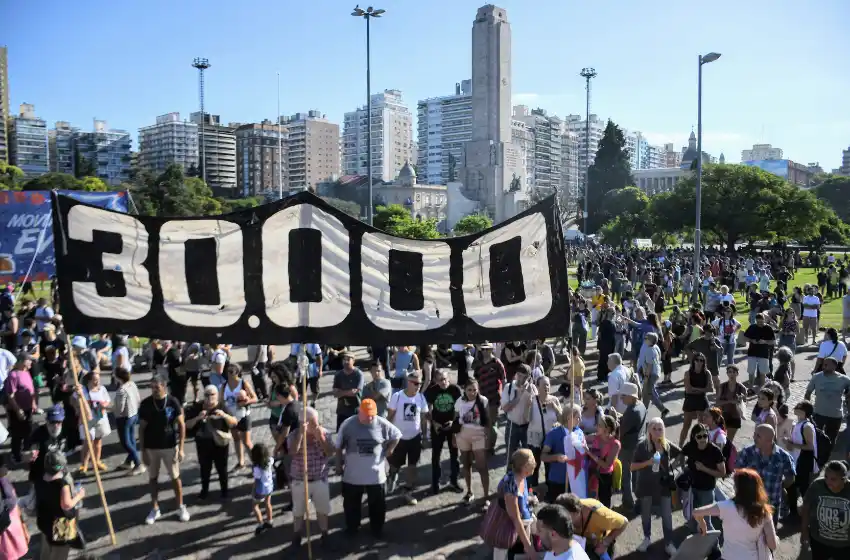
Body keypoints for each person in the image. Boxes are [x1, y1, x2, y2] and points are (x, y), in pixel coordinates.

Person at [336, 399, 401, 539]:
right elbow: (338, 446)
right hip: (353, 475)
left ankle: (377, 529)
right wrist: (338, 464)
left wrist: (390, 449)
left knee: (377, 506)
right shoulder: (348, 424)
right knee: (351, 504)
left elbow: (397, 435)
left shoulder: (381, 423)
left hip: (375, 475)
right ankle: (352, 528)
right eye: (367, 414)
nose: (370, 417)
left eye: (372, 414)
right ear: (360, 411)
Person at [692, 468, 777, 560]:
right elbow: (773, 545)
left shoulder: (726, 507)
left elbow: (696, 512)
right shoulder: (764, 512)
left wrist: (702, 522)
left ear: (737, 488)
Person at [139, 373, 189, 524]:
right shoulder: (146, 404)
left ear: (164, 387)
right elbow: (141, 429)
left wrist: (181, 448)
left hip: (169, 446)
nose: (154, 390)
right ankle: (155, 508)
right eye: (152, 387)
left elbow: (181, 425)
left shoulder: (173, 402)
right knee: (153, 478)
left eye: (157, 387)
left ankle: (180, 505)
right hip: (152, 447)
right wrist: (143, 452)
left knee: (175, 477)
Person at [287, 406, 334, 550]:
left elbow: (330, 452)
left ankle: (325, 534)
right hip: (300, 480)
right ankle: (297, 535)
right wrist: (301, 435)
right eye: (313, 422)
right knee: (298, 511)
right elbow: (292, 452)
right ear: (304, 423)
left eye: (317, 421)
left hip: (320, 478)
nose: (317, 425)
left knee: (322, 509)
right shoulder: (294, 435)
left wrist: (321, 438)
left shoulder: (324, 433)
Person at [631, 417, 679, 556]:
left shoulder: (667, 445)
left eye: (660, 429)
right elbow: (632, 467)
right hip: (646, 485)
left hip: (663, 486)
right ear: (649, 431)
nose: (658, 432)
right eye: (654, 429)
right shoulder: (642, 445)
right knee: (646, 514)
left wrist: (673, 466)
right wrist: (648, 463)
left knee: (667, 515)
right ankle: (647, 538)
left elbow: (681, 454)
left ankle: (669, 543)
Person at [184, 385, 237, 500]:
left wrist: (224, 415)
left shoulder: (222, 406)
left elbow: (234, 422)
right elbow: (187, 425)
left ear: (217, 395)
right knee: (204, 468)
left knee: (222, 468)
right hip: (203, 443)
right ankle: (204, 491)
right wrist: (198, 418)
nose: (209, 397)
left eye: (212, 394)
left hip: (220, 444)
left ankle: (224, 491)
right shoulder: (197, 407)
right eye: (207, 395)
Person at [735, 424, 795, 522]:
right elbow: (737, 474)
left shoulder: (783, 457)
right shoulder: (747, 453)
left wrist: (779, 487)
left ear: (769, 439)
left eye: (758, 436)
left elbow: (790, 479)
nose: (754, 437)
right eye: (754, 434)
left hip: (771, 504)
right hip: (750, 503)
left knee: (770, 534)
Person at [386, 372, 429, 505]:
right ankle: (392, 475)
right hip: (399, 438)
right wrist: (387, 435)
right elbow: (390, 416)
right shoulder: (397, 397)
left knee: (412, 465)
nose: (418, 386)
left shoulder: (421, 398)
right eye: (415, 383)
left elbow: (423, 419)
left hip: (415, 437)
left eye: (420, 384)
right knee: (394, 464)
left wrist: (425, 436)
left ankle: (408, 488)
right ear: (408, 382)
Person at [35, 451, 85, 560]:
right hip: (61, 523)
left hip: (44, 518)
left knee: (46, 547)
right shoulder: (61, 484)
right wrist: (79, 496)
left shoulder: (40, 479)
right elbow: (66, 505)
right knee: (60, 553)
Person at [493, 449, 539, 560]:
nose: (535, 463)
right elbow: (516, 519)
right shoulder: (511, 486)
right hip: (507, 526)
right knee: (501, 555)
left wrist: (529, 499)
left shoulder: (522, 477)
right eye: (532, 460)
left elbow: (521, 498)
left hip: (525, 519)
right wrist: (528, 547)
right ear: (525, 466)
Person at [680, 423, 726, 532]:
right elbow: (681, 454)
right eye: (699, 437)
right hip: (692, 488)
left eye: (705, 436)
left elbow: (722, 473)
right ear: (694, 437)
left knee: (706, 521)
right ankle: (699, 544)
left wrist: (704, 468)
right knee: (693, 517)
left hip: (707, 490)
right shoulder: (691, 446)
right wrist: (682, 467)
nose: (702, 439)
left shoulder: (714, 451)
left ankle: (715, 547)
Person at [424, 369, 462, 495]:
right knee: (436, 456)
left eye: (445, 379)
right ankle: (435, 484)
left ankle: (454, 481)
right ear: (435, 381)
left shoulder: (455, 390)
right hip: (437, 426)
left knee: (454, 455)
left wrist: (454, 422)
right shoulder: (432, 391)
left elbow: (461, 409)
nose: (444, 382)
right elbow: (426, 410)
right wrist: (433, 423)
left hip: (452, 426)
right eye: (441, 380)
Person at [555, 493, 628, 560]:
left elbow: (624, 522)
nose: (561, 522)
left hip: (599, 547)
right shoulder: (561, 514)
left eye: (565, 518)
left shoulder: (600, 516)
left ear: (576, 513)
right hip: (582, 545)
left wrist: (605, 543)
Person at [801, 460, 850, 557]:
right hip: (819, 541)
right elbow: (806, 507)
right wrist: (804, 530)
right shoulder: (817, 486)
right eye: (826, 477)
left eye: (833, 479)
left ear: (843, 479)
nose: (828, 482)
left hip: (845, 545)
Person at [455, 379, 490, 505]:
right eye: (469, 390)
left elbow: (488, 421)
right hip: (463, 435)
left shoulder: (484, 401)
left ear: (478, 389)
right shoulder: (459, 401)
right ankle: (469, 491)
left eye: (475, 390)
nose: (472, 393)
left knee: (482, 467)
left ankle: (486, 497)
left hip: (479, 436)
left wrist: (488, 438)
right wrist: (455, 437)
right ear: (464, 389)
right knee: (466, 464)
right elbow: (456, 419)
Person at [804, 355, 850, 446]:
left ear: (834, 366)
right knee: (816, 438)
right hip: (819, 413)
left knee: (831, 439)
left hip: (835, 415)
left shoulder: (844, 379)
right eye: (823, 364)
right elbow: (808, 393)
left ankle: (828, 455)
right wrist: (808, 408)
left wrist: (848, 396)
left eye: (826, 365)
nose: (823, 367)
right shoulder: (817, 377)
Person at [783, 400, 818, 518]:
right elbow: (793, 444)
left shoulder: (807, 426)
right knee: (792, 486)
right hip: (796, 460)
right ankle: (793, 511)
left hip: (803, 461)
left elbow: (810, 446)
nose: (796, 409)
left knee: (803, 488)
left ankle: (809, 512)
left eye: (800, 408)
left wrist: (793, 445)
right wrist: (788, 443)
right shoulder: (798, 424)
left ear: (805, 412)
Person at [74, 371, 112, 473]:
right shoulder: (83, 390)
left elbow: (107, 400)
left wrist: (104, 404)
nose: (98, 382)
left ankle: (97, 461)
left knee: (98, 441)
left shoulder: (102, 389)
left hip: (100, 418)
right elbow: (73, 400)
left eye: (98, 379)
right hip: (87, 420)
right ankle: (84, 465)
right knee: (87, 443)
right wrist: (78, 405)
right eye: (95, 380)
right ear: (89, 381)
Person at [221, 363, 257, 470]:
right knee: (236, 439)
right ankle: (241, 462)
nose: (228, 373)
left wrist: (246, 401)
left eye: (231, 371)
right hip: (231, 416)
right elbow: (221, 401)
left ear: (237, 372)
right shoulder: (224, 385)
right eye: (227, 371)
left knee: (246, 442)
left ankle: (256, 463)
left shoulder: (243, 383)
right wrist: (225, 410)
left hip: (243, 415)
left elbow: (255, 398)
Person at [528, 375, 561, 489]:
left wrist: (555, 407)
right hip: (536, 438)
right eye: (544, 385)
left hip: (550, 439)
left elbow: (562, 419)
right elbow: (528, 419)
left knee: (550, 465)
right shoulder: (532, 400)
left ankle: (549, 487)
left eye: (548, 384)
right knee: (534, 464)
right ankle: (534, 489)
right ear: (537, 387)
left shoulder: (555, 400)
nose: (547, 387)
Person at [617, 382, 646, 511]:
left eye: (623, 395)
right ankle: (640, 501)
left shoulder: (632, 411)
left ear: (631, 396)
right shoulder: (641, 405)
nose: (621, 398)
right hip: (639, 443)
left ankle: (628, 503)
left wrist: (615, 419)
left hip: (628, 447)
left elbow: (621, 431)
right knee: (636, 476)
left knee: (626, 476)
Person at [4, 353, 36, 463]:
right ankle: (16, 455)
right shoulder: (13, 375)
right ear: (22, 361)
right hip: (17, 410)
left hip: (27, 409)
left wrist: (34, 404)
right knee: (17, 434)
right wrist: (18, 410)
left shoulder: (26, 372)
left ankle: (26, 453)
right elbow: (10, 395)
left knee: (28, 431)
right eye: (29, 360)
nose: (31, 362)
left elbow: (30, 389)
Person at [584, 415, 621, 508]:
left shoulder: (615, 444)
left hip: (604, 477)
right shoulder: (595, 437)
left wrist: (589, 453)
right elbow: (582, 438)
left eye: (599, 425)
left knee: (604, 504)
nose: (596, 427)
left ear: (607, 429)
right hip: (592, 473)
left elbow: (606, 465)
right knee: (590, 503)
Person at [501, 364, 535, 459]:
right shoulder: (509, 387)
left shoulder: (532, 388)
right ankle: (510, 473)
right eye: (519, 375)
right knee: (511, 455)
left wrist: (531, 396)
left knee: (528, 456)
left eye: (525, 377)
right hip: (512, 425)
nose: (522, 379)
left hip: (527, 427)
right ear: (516, 375)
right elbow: (505, 408)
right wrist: (517, 398)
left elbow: (537, 407)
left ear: (529, 377)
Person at [114, 367, 144, 475]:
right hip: (134, 415)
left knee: (125, 442)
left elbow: (119, 409)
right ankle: (129, 461)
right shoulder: (132, 384)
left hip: (124, 418)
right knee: (131, 440)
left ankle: (138, 463)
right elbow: (138, 399)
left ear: (118, 377)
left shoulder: (121, 390)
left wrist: (106, 407)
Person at [679, 352, 712, 447]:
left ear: (704, 362)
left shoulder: (707, 373)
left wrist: (695, 389)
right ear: (693, 361)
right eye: (697, 360)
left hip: (702, 401)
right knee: (686, 426)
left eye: (701, 360)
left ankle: (701, 447)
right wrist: (702, 390)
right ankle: (680, 447)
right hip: (690, 401)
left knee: (702, 427)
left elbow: (711, 388)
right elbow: (688, 390)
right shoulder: (688, 373)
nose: (699, 362)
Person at [0, 455, 28, 559]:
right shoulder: (3, 482)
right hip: (6, 528)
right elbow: (13, 503)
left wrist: (23, 526)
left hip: (12, 525)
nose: (6, 468)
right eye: (3, 466)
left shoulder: (4, 480)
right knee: (9, 553)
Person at [743, 313, 775, 392]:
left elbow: (773, 342)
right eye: (758, 322)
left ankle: (762, 389)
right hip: (752, 352)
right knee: (751, 372)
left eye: (761, 322)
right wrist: (752, 340)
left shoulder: (768, 328)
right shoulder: (752, 327)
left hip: (763, 353)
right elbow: (744, 337)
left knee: (763, 373)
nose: (760, 324)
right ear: (756, 321)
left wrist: (764, 342)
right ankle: (750, 388)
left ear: (764, 320)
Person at [716, 364, 747, 443]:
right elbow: (717, 402)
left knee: (729, 440)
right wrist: (730, 401)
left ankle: (728, 455)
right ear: (727, 374)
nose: (732, 374)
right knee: (720, 439)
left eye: (734, 372)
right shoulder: (722, 386)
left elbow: (745, 404)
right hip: (723, 415)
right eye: (729, 372)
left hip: (735, 416)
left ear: (737, 374)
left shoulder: (742, 388)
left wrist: (741, 400)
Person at [332, 352, 364, 430]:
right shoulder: (338, 375)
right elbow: (335, 394)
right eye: (344, 359)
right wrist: (348, 392)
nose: (346, 362)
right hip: (342, 411)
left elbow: (355, 392)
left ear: (353, 361)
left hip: (355, 411)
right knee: (341, 435)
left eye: (348, 359)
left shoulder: (358, 374)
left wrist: (341, 392)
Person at [250, 443, 274, 536]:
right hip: (269, 487)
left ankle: (260, 524)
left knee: (255, 506)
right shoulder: (269, 461)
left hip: (260, 490)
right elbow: (272, 459)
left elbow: (256, 480)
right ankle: (270, 520)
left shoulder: (256, 468)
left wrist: (253, 490)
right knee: (268, 503)